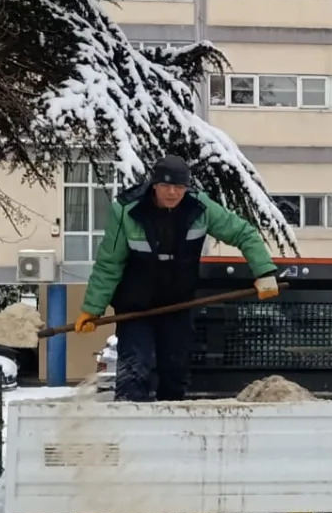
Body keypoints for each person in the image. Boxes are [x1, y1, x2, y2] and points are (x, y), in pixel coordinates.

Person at [74, 155, 278, 401]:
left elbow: (243, 233)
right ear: (154, 185)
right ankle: (130, 425)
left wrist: (264, 272)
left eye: (179, 187)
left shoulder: (200, 208)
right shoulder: (127, 210)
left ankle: (170, 428)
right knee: (135, 369)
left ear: (186, 187)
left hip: (177, 304)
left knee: (175, 371)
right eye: (166, 186)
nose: (172, 193)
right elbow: (109, 263)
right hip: (136, 307)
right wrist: (92, 309)